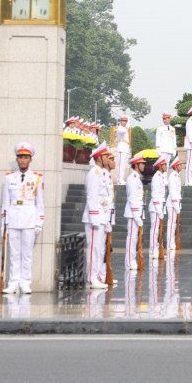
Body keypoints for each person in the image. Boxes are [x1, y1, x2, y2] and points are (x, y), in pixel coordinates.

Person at [0, 141, 44, 294]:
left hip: (29, 218)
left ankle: (25, 283)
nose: (23, 160)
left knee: (26, 255)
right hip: (12, 218)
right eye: (20, 157)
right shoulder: (9, 178)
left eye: (26, 157)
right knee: (14, 255)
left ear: (30, 159)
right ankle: (13, 283)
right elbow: (5, 202)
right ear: (17, 159)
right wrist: (3, 224)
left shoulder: (37, 178)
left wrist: (39, 222)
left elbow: (40, 203)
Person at [82, 143, 113, 289]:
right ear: (99, 158)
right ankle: (91, 277)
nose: (108, 158)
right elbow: (92, 198)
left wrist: (105, 218)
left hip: (101, 215)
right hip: (94, 217)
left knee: (100, 249)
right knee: (94, 248)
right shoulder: (94, 174)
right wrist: (95, 217)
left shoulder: (101, 173)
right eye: (106, 156)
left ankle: (98, 275)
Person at [123, 153, 145, 270]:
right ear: (136, 165)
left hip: (136, 212)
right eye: (142, 164)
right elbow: (132, 198)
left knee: (135, 238)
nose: (144, 166)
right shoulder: (133, 178)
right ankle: (130, 261)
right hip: (133, 214)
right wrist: (137, 216)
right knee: (131, 238)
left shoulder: (137, 178)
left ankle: (132, 260)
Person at [150, 154, 168, 259]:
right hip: (156, 208)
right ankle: (153, 250)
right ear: (160, 166)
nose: (166, 166)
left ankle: (157, 248)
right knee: (155, 230)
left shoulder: (160, 177)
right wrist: (159, 210)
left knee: (158, 230)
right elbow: (155, 195)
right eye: (164, 164)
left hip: (159, 207)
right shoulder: (157, 177)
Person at [165, 155, 184, 250]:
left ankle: (171, 242)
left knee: (174, 224)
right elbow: (172, 192)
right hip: (172, 204)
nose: (181, 166)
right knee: (171, 224)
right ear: (176, 166)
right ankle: (169, 243)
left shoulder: (176, 176)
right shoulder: (172, 176)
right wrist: (176, 205)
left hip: (176, 203)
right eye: (180, 165)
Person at [116, 115, 132, 185]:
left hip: (125, 148)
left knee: (124, 165)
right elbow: (122, 131)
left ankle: (121, 178)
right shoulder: (120, 128)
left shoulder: (125, 128)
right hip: (121, 148)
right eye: (123, 121)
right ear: (120, 121)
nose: (124, 122)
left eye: (126, 121)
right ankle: (120, 179)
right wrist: (127, 126)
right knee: (121, 165)